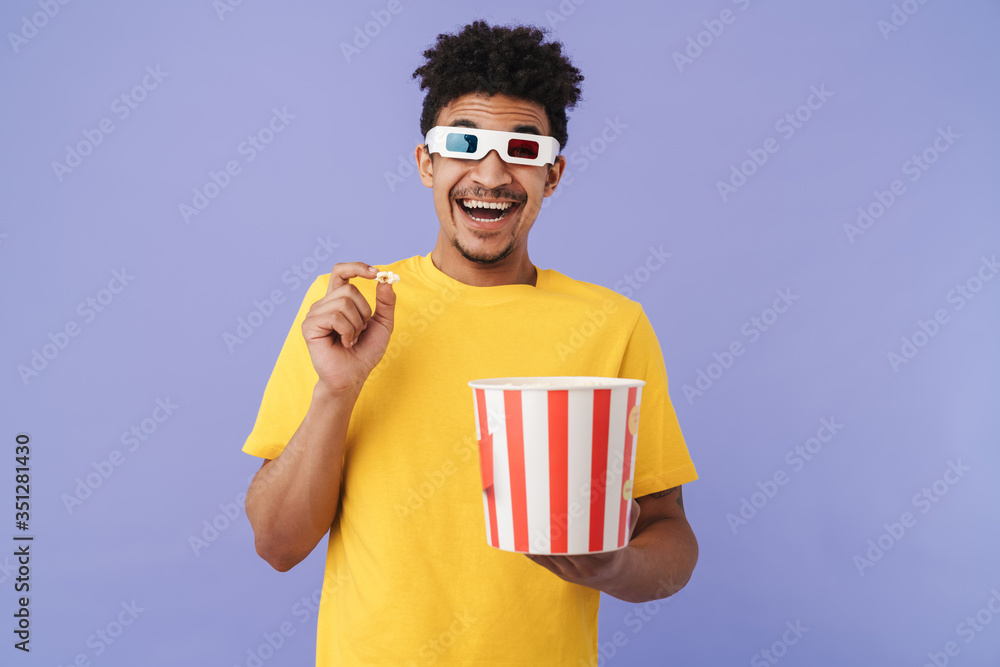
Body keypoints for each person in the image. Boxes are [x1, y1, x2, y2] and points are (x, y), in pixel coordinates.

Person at [242, 20, 698, 666]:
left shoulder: (613, 325)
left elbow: (671, 535)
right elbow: (276, 543)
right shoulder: (348, 310)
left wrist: (614, 564)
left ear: (555, 174)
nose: (491, 173)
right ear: (427, 163)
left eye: (522, 148)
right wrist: (336, 389)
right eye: (464, 143)